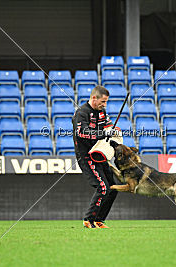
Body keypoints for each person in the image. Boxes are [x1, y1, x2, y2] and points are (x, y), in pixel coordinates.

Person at [72, 85, 118, 229]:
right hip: (86, 157)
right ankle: (88, 220)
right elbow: (82, 133)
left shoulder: (102, 112)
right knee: (103, 187)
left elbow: (109, 127)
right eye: (103, 102)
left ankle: (99, 220)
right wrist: (104, 134)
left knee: (113, 188)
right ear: (94, 98)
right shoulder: (81, 113)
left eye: (106, 102)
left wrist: (113, 132)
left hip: (99, 154)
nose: (105, 105)